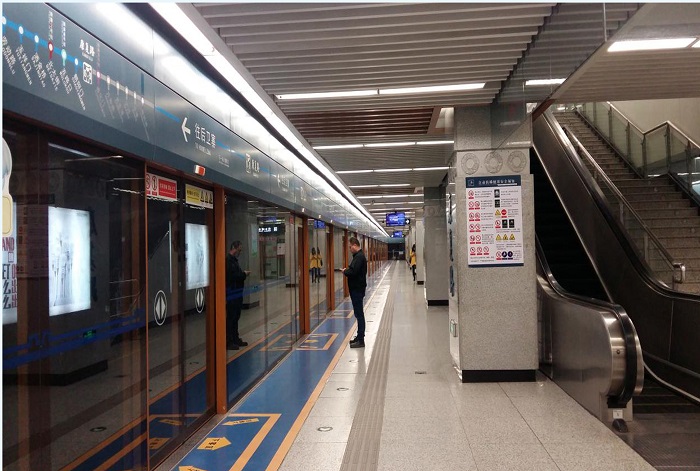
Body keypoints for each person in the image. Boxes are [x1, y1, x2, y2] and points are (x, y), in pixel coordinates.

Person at [342, 237, 367, 348]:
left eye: (350, 247)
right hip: (357, 289)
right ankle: (359, 336)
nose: (349, 249)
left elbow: (354, 272)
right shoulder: (358, 257)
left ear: (355, 245)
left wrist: (345, 271)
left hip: (357, 290)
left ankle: (361, 340)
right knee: (358, 314)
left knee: (359, 314)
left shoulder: (359, 257)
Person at [226, 240, 250, 350]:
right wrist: (243, 274)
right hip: (232, 294)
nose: (240, 252)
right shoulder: (228, 261)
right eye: (239, 250)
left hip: (236, 294)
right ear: (234, 248)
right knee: (231, 318)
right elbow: (232, 276)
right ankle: (229, 340)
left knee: (236, 317)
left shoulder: (233, 261)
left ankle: (235, 338)